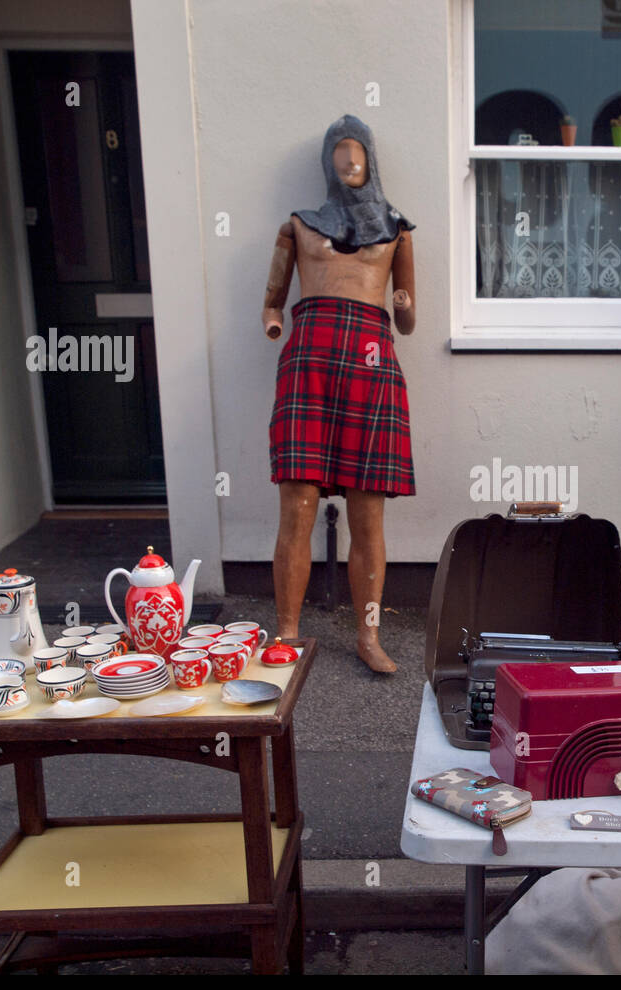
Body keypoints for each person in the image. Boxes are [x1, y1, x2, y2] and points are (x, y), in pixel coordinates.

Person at [262, 115, 416, 673]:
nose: (349, 161)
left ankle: (368, 637)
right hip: (309, 367)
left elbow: (410, 319)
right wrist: (274, 323)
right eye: (339, 152)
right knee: (298, 505)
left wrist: (402, 306)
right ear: (327, 160)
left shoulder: (397, 230)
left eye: (357, 152)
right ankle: (286, 634)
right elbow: (272, 303)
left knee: (367, 511)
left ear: (371, 159)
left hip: (371, 367)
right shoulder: (298, 226)